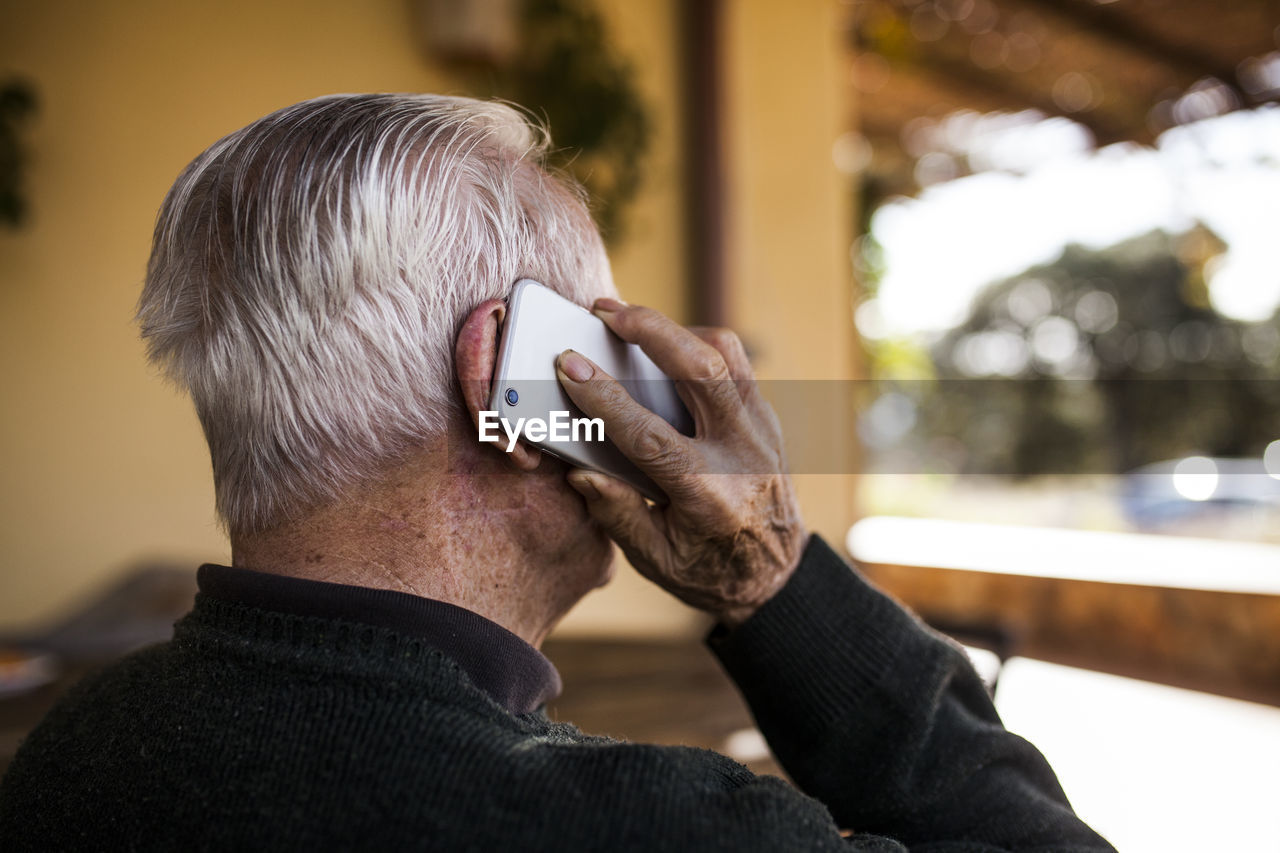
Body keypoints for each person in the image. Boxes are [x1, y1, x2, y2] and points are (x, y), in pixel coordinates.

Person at [0, 94, 1113, 851]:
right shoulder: (652, 825)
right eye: (611, 350)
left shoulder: (77, 752)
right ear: (515, 383)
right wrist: (770, 580)